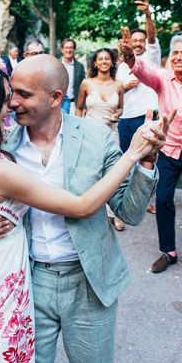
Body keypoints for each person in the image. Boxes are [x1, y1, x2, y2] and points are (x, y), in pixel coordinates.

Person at [0, 55, 166, 363]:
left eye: (23, 94)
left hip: (88, 284)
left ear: (55, 97)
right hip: (27, 284)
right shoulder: (2, 143)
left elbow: (130, 212)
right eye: (10, 95)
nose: (12, 102)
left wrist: (147, 159)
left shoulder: (96, 138)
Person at [124, 26, 182, 283]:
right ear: (169, 57)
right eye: (175, 52)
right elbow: (142, 71)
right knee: (164, 200)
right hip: (168, 148)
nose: (179, 57)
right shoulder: (162, 78)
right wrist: (129, 57)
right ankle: (168, 252)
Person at [76, 48, 126, 231]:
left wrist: (117, 115)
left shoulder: (119, 85)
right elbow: (79, 109)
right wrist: (78, 130)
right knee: (92, 173)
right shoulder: (86, 84)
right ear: (95, 63)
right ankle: (93, 213)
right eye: (100, 59)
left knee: (113, 174)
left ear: (112, 62)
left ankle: (115, 215)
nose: (104, 62)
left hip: (112, 133)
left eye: (107, 59)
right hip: (89, 133)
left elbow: (121, 108)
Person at [116, 0, 160, 153]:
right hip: (126, 117)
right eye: (134, 40)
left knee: (148, 156)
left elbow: (152, 37)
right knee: (126, 156)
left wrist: (148, 15)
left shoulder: (151, 57)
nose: (137, 43)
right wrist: (125, 87)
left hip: (147, 115)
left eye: (142, 40)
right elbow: (116, 92)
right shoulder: (121, 67)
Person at [59, 38, 85, 114]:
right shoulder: (56, 64)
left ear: (74, 49)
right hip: (58, 104)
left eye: (71, 47)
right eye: (66, 47)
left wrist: (83, 107)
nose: (69, 50)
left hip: (74, 104)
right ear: (62, 49)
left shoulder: (80, 66)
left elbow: (83, 87)